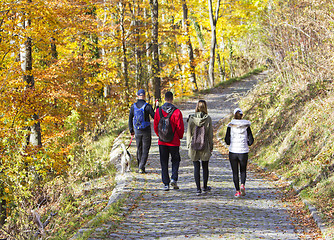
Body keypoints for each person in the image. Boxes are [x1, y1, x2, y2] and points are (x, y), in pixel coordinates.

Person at [154, 91, 184, 191]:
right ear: (172, 99)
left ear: (165, 98)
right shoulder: (177, 112)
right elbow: (180, 127)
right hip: (174, 141)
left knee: (164, 162)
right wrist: (179, 136)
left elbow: (155, 126)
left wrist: (160, 135)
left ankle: (165, 184)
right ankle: (174, 178)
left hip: (162, 141)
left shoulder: (158, 111)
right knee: (175, 160)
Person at [224, 107, 254, 198]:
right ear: (242, 115)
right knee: (243, 170)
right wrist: (247, 143)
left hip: (233, 151)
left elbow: (227, 140)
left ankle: (237, 191)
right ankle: (242, 185)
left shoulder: (231, 125)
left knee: (235, 172)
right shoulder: (246, 126)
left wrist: (230, 142)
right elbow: (251, 140)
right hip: (243, 151)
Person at [186, 100, 213, 196]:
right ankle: (205, 187)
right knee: (205, 167)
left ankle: (198, 189)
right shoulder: (208, 119)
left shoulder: (191, 118)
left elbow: (189, 133)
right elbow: (210, 134)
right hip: (205, 145)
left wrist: (188, 145)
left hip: (194, 145)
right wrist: (211, 146)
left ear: (197, 107)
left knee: (196, 167)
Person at [129, 89, 156, 173]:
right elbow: (155, 117)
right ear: (144, 96)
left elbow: (130, 119)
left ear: (137, 96)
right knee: (145, 149)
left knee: (139, 148)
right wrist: (157, 107)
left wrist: (131, 130)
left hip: (137, 131)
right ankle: (141, 167)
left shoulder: (133, 106)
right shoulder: (147, 106)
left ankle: (141, 167)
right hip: (146, 131)